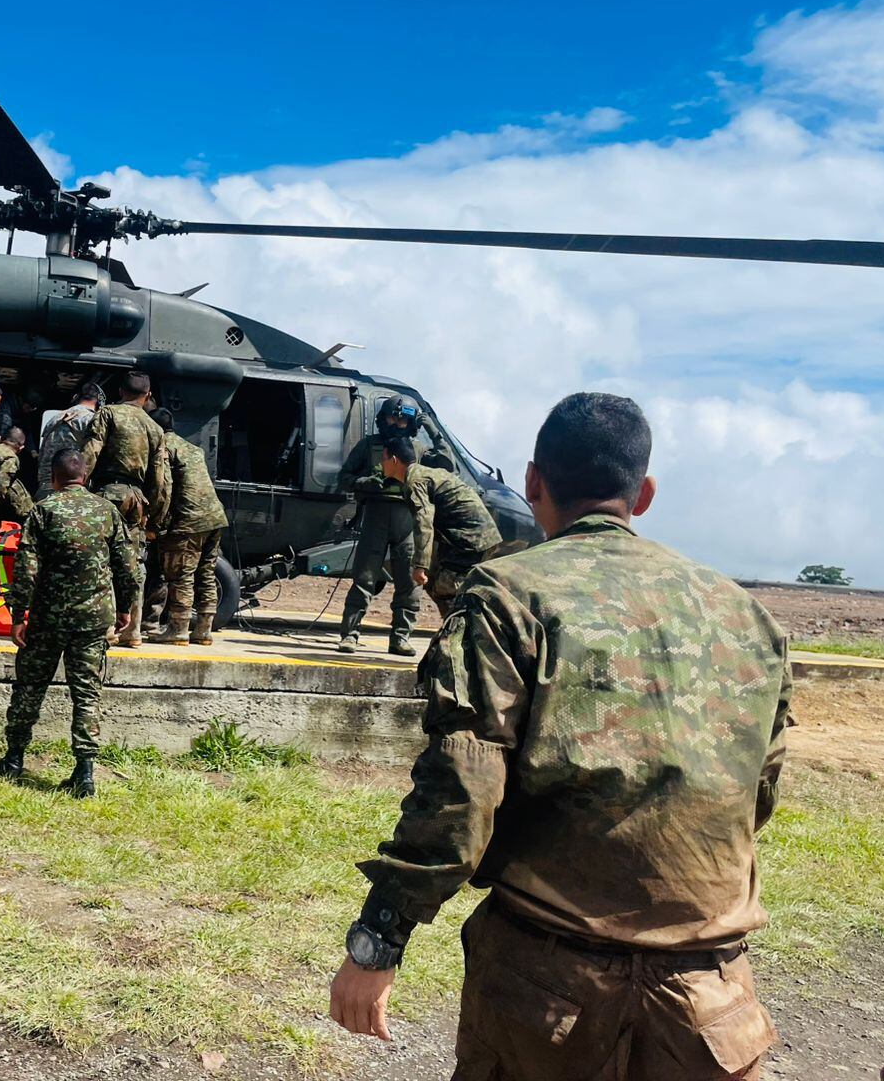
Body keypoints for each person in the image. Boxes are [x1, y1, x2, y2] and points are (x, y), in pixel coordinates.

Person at [329, 392, 791, 1081]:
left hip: (549, 993)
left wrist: (378, 942)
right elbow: (758, 790)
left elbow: (463, 786)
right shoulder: (746, 613)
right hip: (715, 997)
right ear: (646, 495)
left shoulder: (509, 595)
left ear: (533, 481)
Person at [0, 448, 139, 799]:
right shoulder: (106, 511)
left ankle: (14, 759)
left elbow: (26, 570)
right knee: (87, 694)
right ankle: (85, 773)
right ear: (85, 477)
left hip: (47, 619)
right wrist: (125, 610)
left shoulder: (43, 510)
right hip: (93, 620)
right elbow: (127, 567)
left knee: (30, 687)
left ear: (54, 478)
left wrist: (18, 616)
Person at [81, 371, 170, 647]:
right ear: (148, 395)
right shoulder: (154, 429)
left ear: (121, 391)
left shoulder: (108, 414)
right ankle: (132, 631)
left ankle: (107, 627)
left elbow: (91, 452)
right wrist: (155, 515)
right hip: (138, 499)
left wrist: (77, 487)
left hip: (109, 493)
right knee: (134, 565)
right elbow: (160, 480)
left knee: (104, 560)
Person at [335, 436, 424, 656]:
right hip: (376, 513)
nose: (399, 424)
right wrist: (365, 483)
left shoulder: (420, 449)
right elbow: (344, 477)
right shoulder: (369, 445)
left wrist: (436, 435)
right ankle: (350, 634)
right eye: (394, 418)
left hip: (407, 517)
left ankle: (401, 638)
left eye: (404, 421)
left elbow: (446, 468)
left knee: (409, 582)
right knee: (364, 578)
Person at [147, 408, 229, 646]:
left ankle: (178, 629)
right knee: (205, 573)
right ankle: (204, 629)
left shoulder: (163, 450)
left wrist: (155, 524)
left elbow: (164, 489)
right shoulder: (193, 448)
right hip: (214, 517)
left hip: (188, 521)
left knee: (180, 574)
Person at [404, 451, 504, 618]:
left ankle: (457, 633)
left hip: (470, 541)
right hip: (485, 538)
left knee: (444, 589)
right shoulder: (438, 474)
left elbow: (424, 521)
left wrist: (420, 565)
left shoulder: (415, 480)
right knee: (451, 586)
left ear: (393, 460)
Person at [35, 381, 104, 501]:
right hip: (71, 492)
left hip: (45, 489)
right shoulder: (92, 420)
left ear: (76, 397)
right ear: (99, 400)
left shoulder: (54, 419)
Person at [337, 395, 420, 492]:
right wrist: (363, 482)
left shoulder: (418, 449)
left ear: (410, 423)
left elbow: (440, 471)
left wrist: (435, 435)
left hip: (408, 505)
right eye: (392, 418)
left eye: (402, 420)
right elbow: (343, 478)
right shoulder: (367, 444)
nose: (396, 423)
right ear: (384, 419)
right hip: (373, 504)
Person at [0, 426, 36, 526]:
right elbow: (0, 485)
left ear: (0, 439)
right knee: (14, 484)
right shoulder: (10, 457)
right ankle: (29, 518)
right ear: (21, 448)